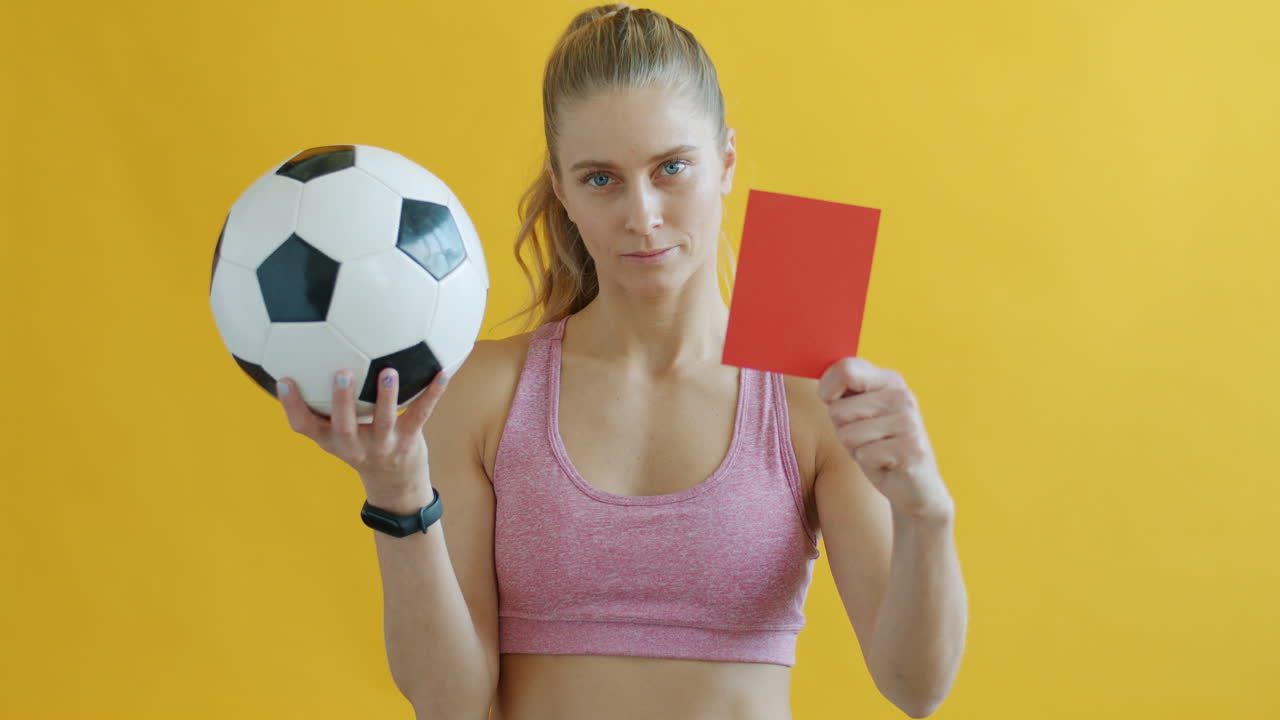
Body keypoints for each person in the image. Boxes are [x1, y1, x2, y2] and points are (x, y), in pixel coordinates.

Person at [277, 4, 967, 719]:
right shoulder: (485, 392)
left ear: (726, 161)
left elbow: (916, 689)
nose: (642, 216)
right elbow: (450, 705)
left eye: (672, 168)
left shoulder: (811, 396)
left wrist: (926, 512)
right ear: (563, 189)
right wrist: (398, 495)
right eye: (601, 179)